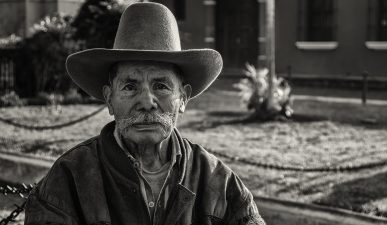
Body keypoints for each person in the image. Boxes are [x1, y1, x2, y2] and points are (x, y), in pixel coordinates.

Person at [24, 2, 266, 225]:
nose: (147, 102)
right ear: (109, 99)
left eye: (161, 86)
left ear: (183, 98)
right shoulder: (69, 179)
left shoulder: (218, 181)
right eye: (130, 87)